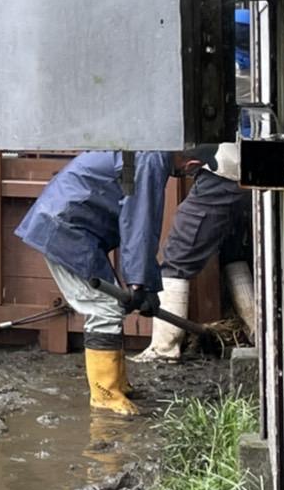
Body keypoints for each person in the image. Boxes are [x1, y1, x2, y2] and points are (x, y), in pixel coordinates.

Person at [15, 148, 206, 414]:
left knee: (109, 306)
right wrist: (140, 283)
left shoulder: (149, 152)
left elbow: (139, 226)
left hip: (70, 225)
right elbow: (140, 223)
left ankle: (117, 384)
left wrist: (146, 285)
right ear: (191, 163)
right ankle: (105, 394)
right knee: (103, 308)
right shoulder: (151, 159)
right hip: (65, 228)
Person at [133, 140, 255, 362]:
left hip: (222, 171)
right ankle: (257, 330)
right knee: (232, 251)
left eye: (181, 173)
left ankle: (163, 350)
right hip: (244, 164)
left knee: (177, 257)